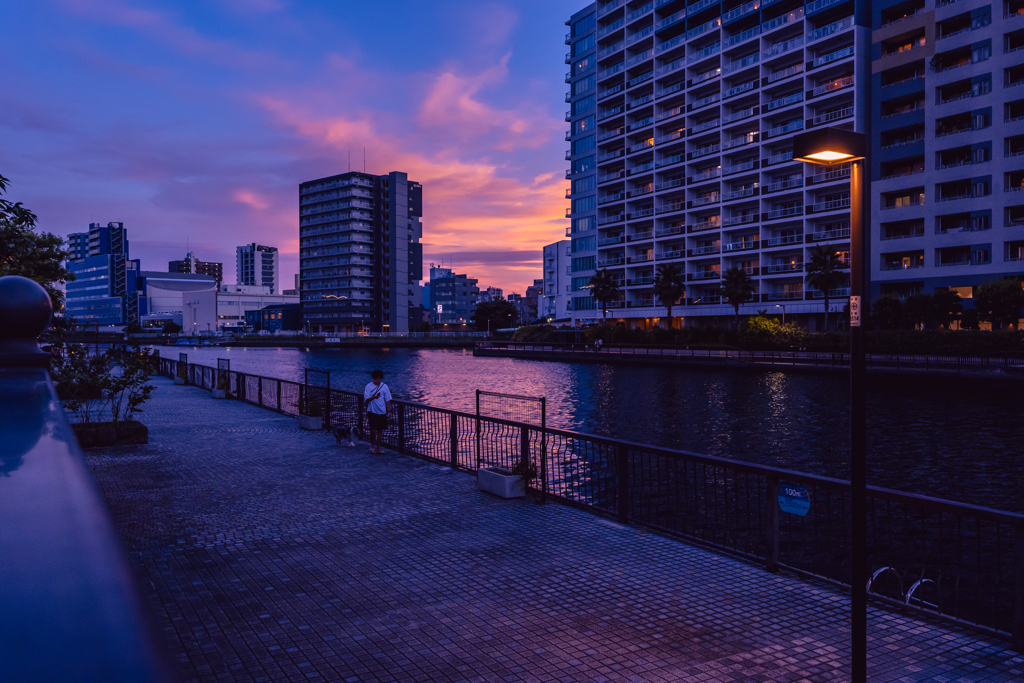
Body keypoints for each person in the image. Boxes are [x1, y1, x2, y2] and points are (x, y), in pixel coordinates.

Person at [363, 369, 392, 454]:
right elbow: (366, 399)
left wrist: (389, 411)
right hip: (372, 411)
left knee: (380, 431)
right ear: (373, 378)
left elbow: (388, 400)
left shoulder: (385, 387)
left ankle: (378, 448)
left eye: (379, 379)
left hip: (382, 412)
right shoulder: (368, 387)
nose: (378, 381)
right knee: (373, 430)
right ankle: (372, 445)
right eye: (376, 379)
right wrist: (373, 398)